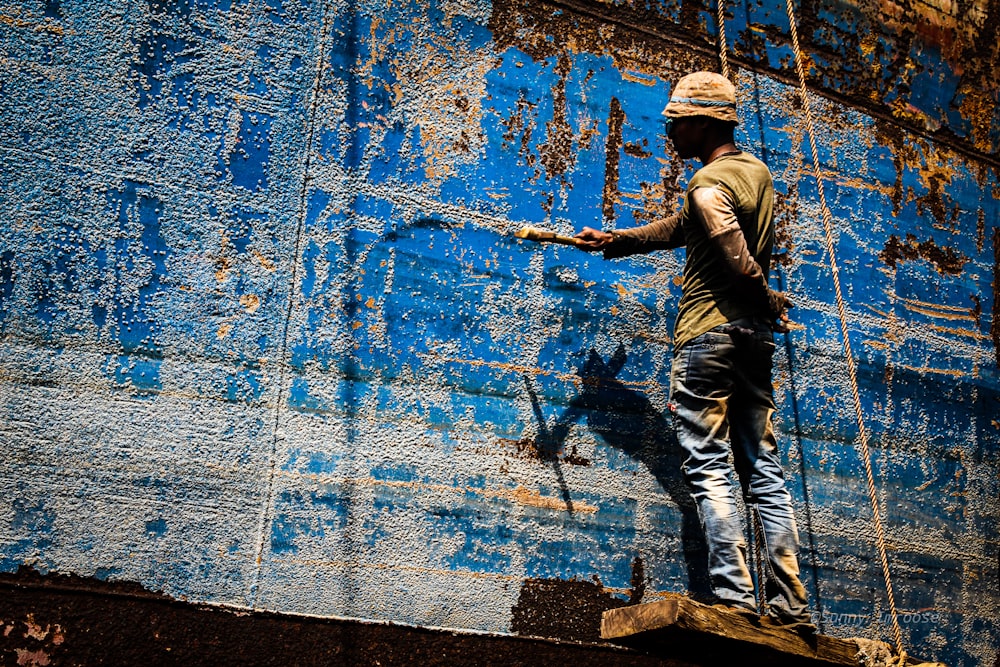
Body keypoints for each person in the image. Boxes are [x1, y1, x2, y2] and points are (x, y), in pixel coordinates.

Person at [574, 71, 813, 631]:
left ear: (704, 122)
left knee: (709, 467)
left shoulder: (708, 181)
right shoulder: (754, 174)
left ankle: (733, 599)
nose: (670, 134)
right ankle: (790, 607)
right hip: (753, 341)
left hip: (708, 336)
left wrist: (764, 291)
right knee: (764, 470)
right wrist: (620, 240)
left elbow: (728, 248)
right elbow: (687, 226)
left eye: (676, 123)